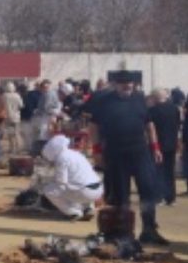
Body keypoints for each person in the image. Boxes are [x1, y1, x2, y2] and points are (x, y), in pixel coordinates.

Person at [89, 70, 167, 246]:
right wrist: (97, 151)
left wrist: (155, 147)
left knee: (147, 191)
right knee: (120, 195)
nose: (127, 86)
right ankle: (123, 232)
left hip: (140, 152)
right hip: (116, 154)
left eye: (130, 84)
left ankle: (149, 230)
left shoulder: (140, 99)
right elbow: (93, 126)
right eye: (123, 84)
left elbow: (149, 124)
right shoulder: (103, 101)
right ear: (116, 85)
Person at [37, 135, 100, 221]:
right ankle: (88, 208)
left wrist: (47, 181)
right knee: (79, 183)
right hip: (97, 190)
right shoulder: (77, 154)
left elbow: (62, 182)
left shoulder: (61, 159)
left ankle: (73, 212)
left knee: (49, 190)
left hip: (84, 191)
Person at [148, 88, 180, 206]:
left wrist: (154, 146)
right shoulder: (175, 109)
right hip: (172, 143)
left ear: (155, 98)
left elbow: (151, 129)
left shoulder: (152, 111)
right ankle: (171, 197)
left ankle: (159, 196)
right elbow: (177, 125)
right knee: (170, 171)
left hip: (158, 144)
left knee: (158, 171)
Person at [31, 80, 61, 156]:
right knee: (46, 134)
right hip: (47, 116)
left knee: (45, 135)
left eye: (46, 87)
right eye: (44, 87)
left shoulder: (48, 94)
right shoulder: (47, 94)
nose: (44, 88)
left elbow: (46, 107)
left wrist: (37, 112)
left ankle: (44, 152)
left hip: (48, 116)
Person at [0, 82, 24, 155]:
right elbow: (21, 106)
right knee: (17, 133)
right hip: (16, 117)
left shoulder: (4, 96)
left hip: (7, 117)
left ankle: (11, 148)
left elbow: (1, 105)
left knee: (10, 133)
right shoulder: (17, 96)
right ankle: (18, 149)